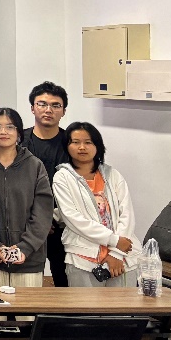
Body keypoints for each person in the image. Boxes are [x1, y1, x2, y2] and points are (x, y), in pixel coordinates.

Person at [53, 122, 140, 288]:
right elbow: (72, 218)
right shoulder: (62, 177)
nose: (82, 147)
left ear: (97, 146)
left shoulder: (112, 174)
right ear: (67, 146)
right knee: (85, 305)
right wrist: (114, 240)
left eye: (88, 142)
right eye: (75, 142)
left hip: (122, 257)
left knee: (123, 305)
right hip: (83, 257)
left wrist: (117, 253)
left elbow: (127, 213)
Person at [0, 107, 53, 288]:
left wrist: (25, 247)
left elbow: (43, 213)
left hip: (29, 259)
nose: (3, 131)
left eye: (10, 127)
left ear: (19, 132)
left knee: (27, 307)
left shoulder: (35, 165)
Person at [23, 81, 71, 287]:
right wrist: (38, 220)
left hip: (62, 224)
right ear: (32, 108)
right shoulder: (18, 141)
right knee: (26, 281)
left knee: (64, 279)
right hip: (25, 224)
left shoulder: (71, 143)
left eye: (55, 105)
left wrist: (51, 217)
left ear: (64, 111)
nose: (48, 110)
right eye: (42, 104)